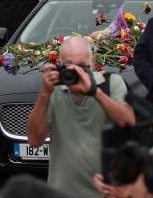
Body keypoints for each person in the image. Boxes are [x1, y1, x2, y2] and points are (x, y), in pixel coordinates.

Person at [26, 36, 134, 198]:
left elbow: (129, 124)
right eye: (70, 66)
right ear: (60, 63)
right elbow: (34, 140)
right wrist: (44, 93)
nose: (76, 72)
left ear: (92, 62)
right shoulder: (53, 90)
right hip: (60, 192)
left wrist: (94, 91)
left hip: (104, 193)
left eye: (82, 66)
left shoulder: (111, 83)